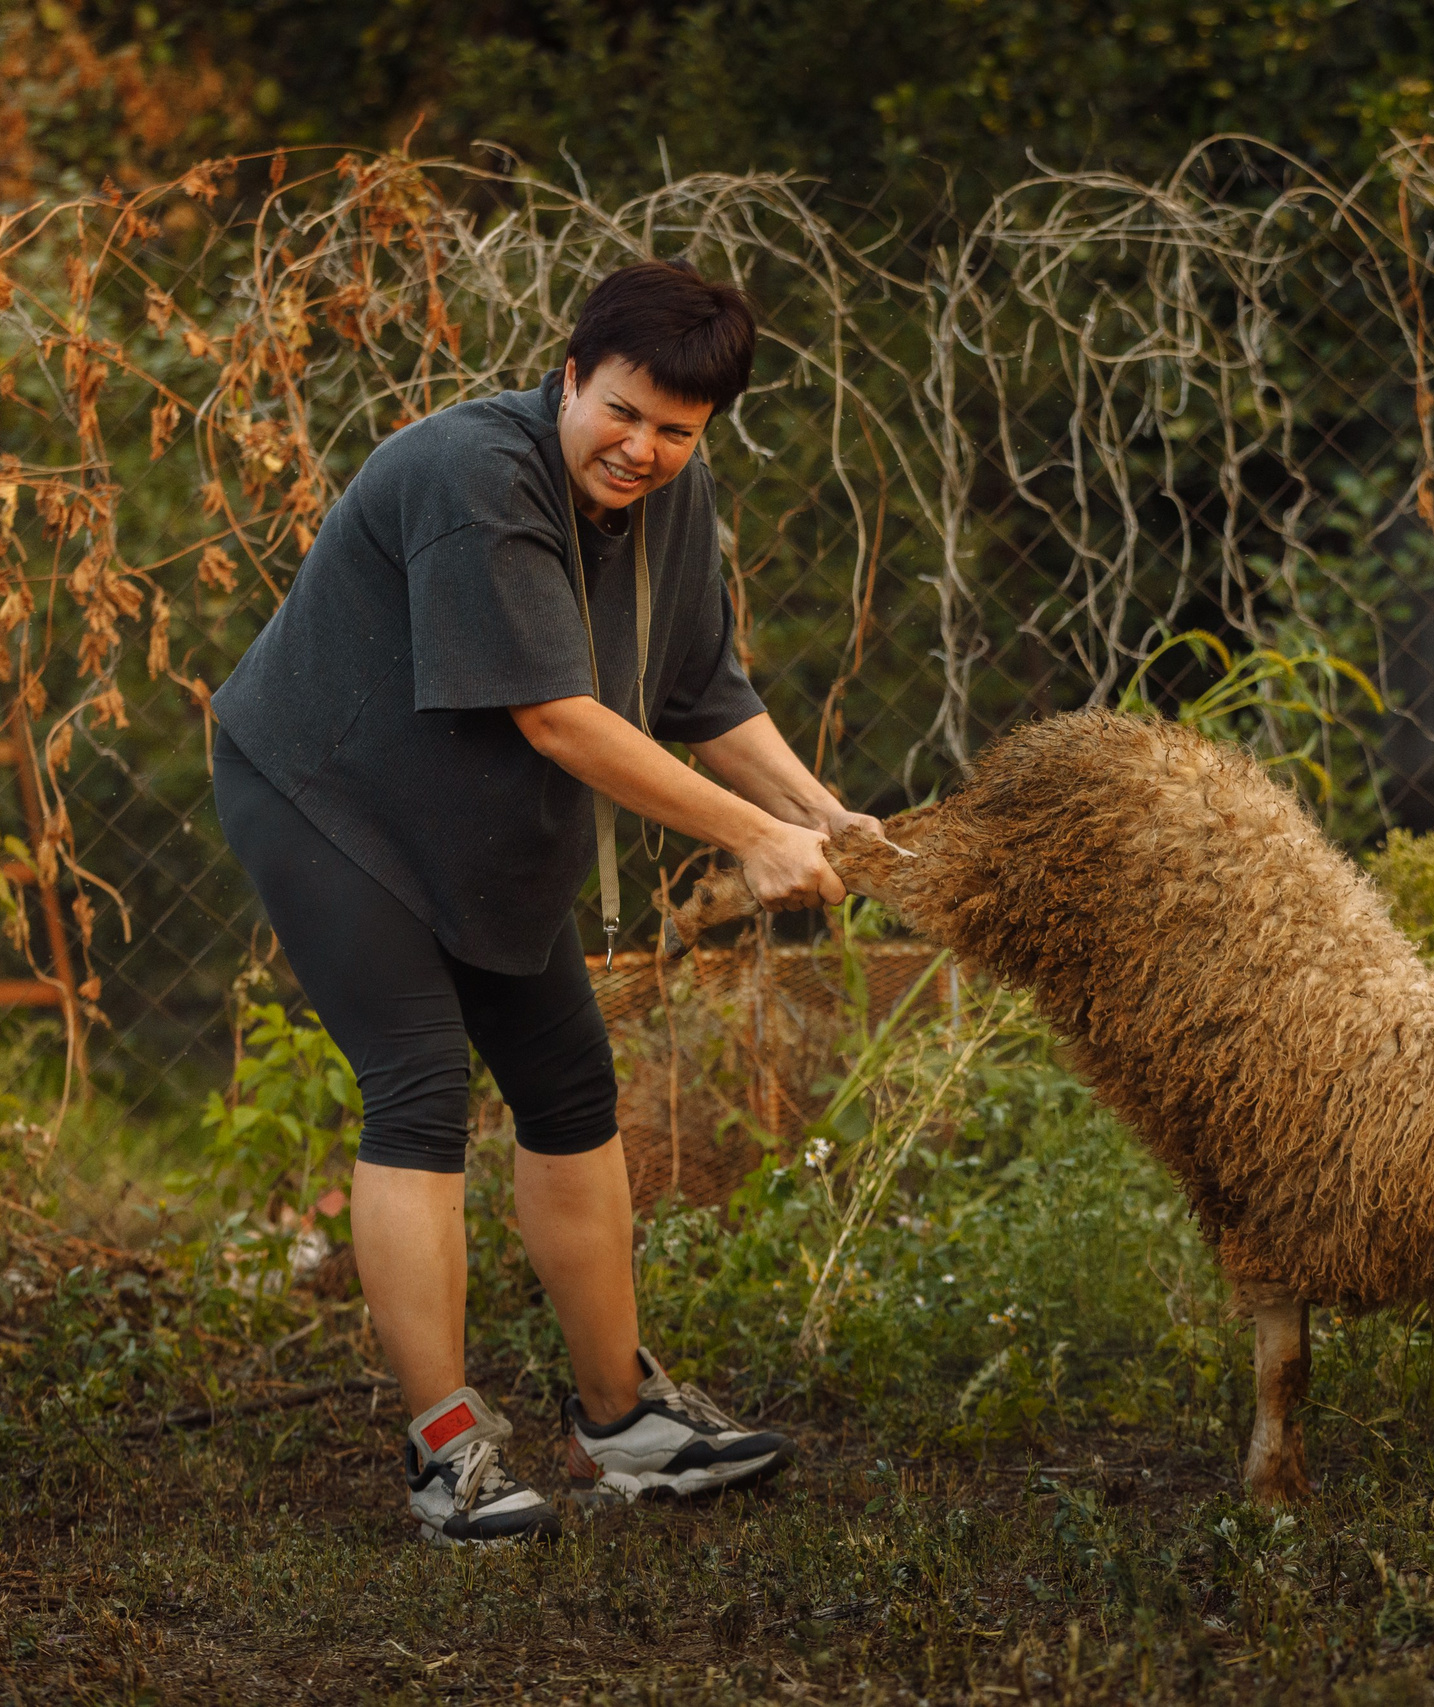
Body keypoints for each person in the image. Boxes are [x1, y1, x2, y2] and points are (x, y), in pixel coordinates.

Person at [210, 260, 871, 1546]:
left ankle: (621, 1426)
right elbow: (561, 720)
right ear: (571, 376)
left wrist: (823, 816)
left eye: (676, 432)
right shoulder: (475, 476)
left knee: (569, 1091)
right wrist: (751, 839)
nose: (643, 449)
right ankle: (444, 1448)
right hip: (326, 791)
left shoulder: (677, 499)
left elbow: (703, 695)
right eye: (622, 412)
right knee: (417, 1089)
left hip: (473, 812)